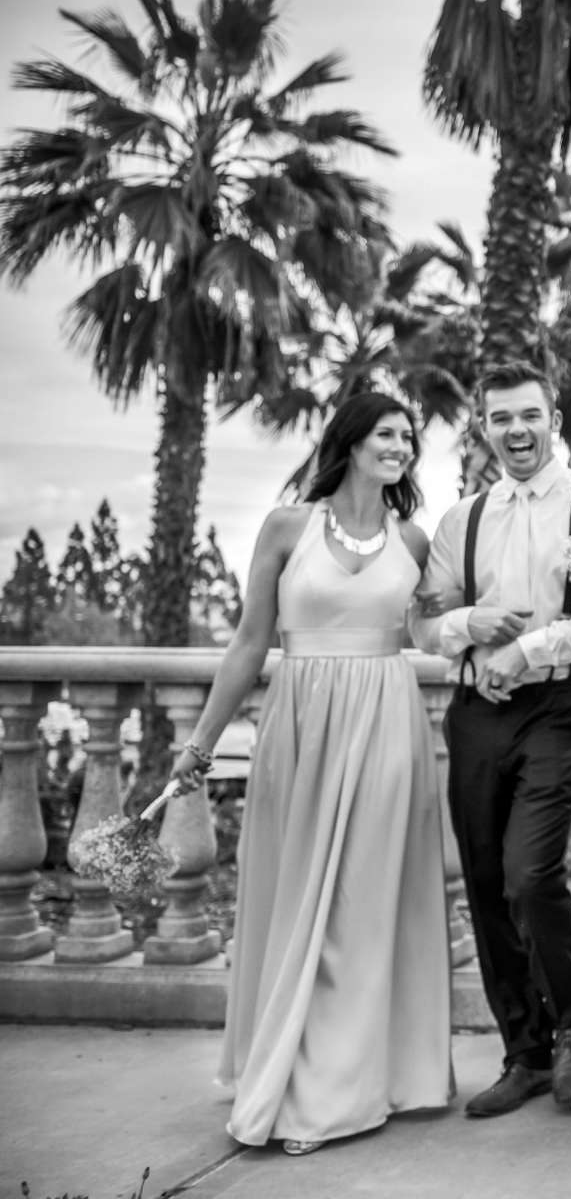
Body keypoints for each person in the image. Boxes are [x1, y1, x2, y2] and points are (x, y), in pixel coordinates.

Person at [171, 392, 451, 1155]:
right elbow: (248, 643)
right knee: (300, 900)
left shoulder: (416, 539)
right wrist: (198, 747)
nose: (401, 446)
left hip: (387, 724)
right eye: (388, 433)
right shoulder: (287, 526)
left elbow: (434, 628)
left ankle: (340, 1092)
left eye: (409, 437)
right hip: (299, 724)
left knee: (365, 903)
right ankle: (291, 1065)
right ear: (351, 441)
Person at [411, 364, 571, 1119]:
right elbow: (422, 621)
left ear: (555, 420)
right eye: (500, 418)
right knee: (483, 882)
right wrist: (469, 630)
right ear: (482, 426)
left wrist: (532, 648)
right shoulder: (462, 520)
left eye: (529, 416)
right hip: (475, 709)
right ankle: (525, 1053)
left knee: (528, 873)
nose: (516, 431)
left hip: (556, 708)